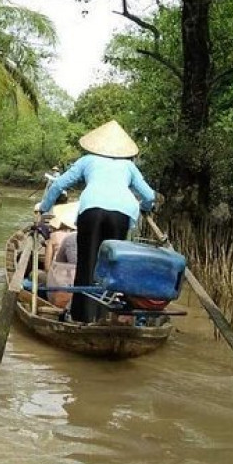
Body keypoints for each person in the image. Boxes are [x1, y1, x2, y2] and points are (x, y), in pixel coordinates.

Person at [38, 120, 156, 323]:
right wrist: (145, 208)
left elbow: (58, 185)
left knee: (87, 265)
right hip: (121, 214)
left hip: (91, 211)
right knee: (111, 267)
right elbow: (149, 196)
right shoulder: (129, 166)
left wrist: (43, 209)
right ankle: (106, 317)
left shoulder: (87, 160)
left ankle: (81, 317)